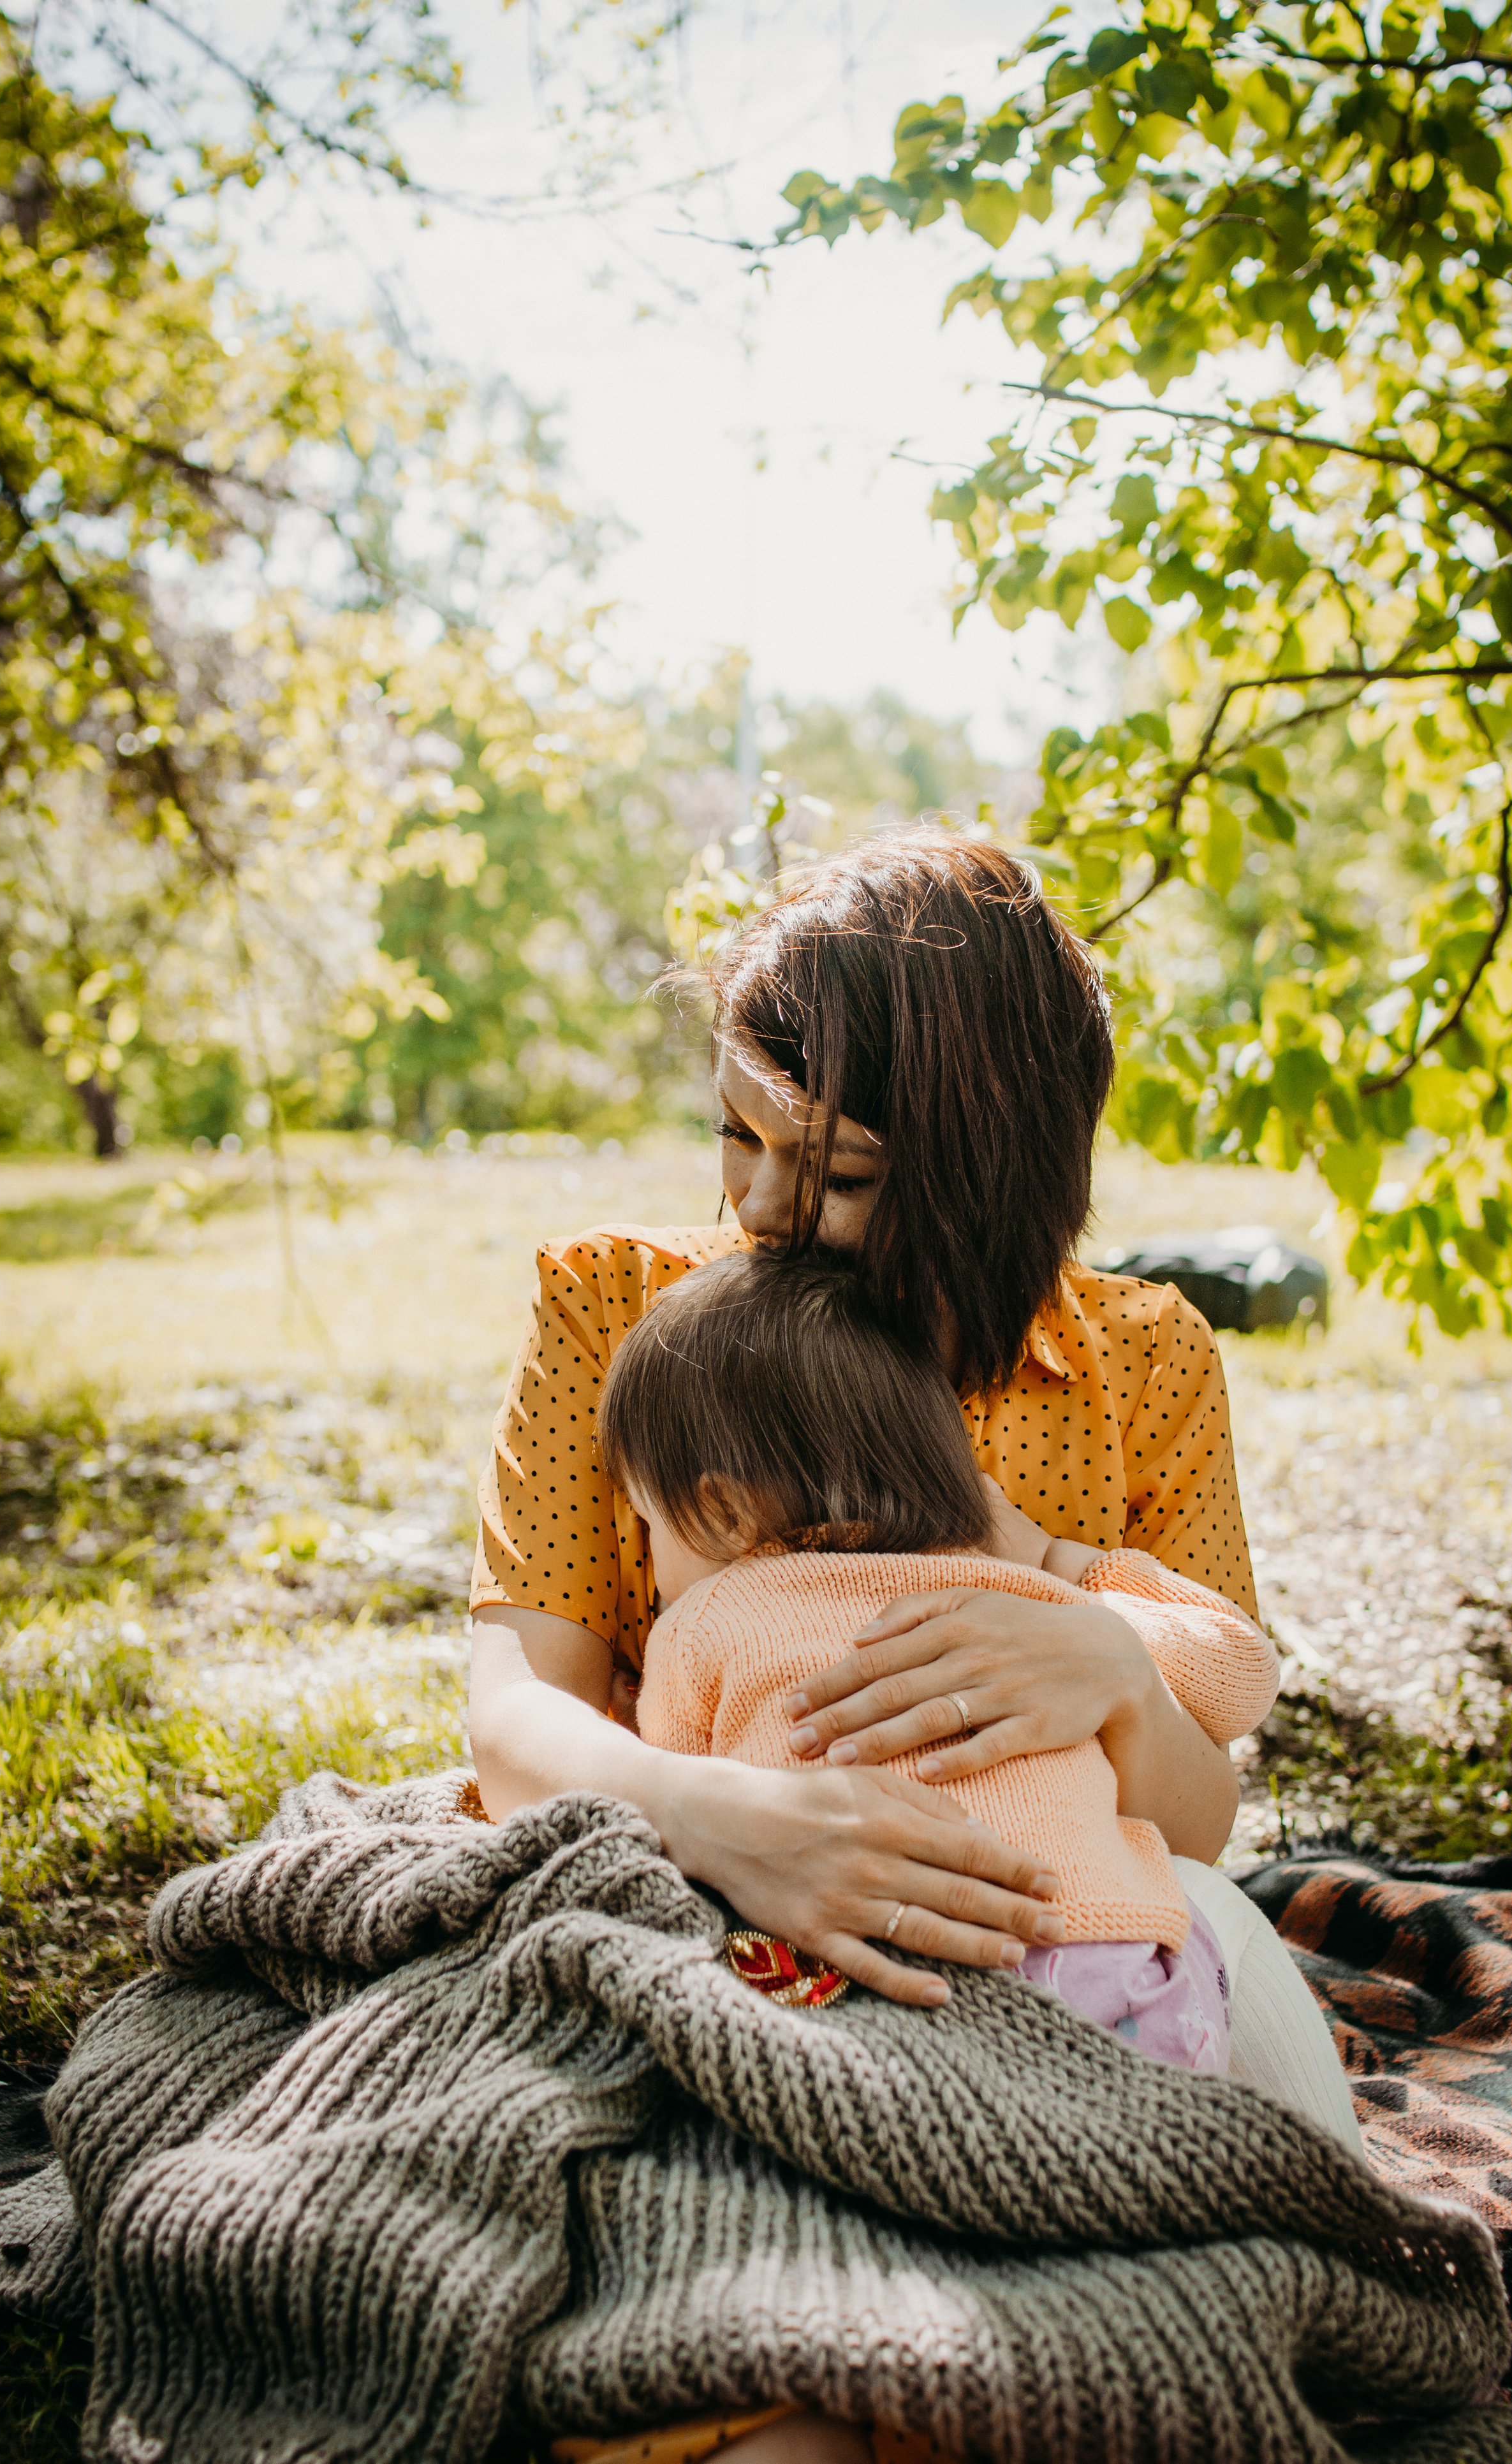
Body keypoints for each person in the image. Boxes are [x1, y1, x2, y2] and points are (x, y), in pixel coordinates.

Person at [467, 829, 1361, 2464]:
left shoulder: (1137, 1364)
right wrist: (717, 1819)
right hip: (702, 1887)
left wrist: (1106, 1666)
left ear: (985, 1166)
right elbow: (513, 1711)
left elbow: (1200, 1815)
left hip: (1059, 1927)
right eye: (729, 1131)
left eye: (832, 1167)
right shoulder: (630, 1314)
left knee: (1217, 1994)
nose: (749, 1198)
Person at [598, 1244, 1287, 2073]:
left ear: (720, 1508)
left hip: (857, 1992)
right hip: (1109, 1973)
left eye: (647, 1522)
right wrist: (1054, 1556)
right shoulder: (1010, 1595)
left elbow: (670, 1823)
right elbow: (1245, 1675)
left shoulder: (701, 1621)